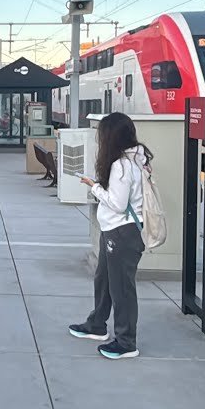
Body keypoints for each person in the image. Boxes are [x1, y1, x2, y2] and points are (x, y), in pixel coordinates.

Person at [69, 112, 149, 360]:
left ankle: (126, 342)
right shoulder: (135, 158)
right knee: (103, 280)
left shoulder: (121, 165)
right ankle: (97, 324)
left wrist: (93, 186)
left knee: (121, 288)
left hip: (120, 233)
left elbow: (117, 202)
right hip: (114, 231)